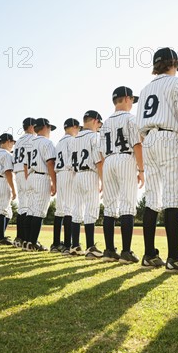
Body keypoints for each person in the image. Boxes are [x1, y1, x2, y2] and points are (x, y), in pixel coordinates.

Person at [136, 47, 178, 271]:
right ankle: (174, 257)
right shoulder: (177, 82)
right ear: (172, 64)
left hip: (148, 139)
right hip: (168, 136)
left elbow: (139, 126)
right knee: (172, 196)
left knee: (152, 197)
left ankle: (149, 254)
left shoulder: (144, 90)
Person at [100, 86, 144, 264]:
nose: (133, 103)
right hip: (125, 158)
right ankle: (126, 252)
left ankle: (109, 250)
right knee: (127, 205)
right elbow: (137, 145)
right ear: (126, 98)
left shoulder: (104, 124)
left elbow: (101, 151)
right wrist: (141, 170)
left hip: (108, 160)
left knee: (110, 207)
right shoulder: (131, 119)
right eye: (132, 99)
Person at [70, 110, 104, 259]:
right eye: (99, 124)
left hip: (76, 175)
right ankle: (91, 247)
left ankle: (75, 245)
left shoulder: (74, 138)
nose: (99, 127)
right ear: (95, 120)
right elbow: (99, 161)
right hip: (90, 174)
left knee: (76, 210)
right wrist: (103, 180)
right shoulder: (94, 136)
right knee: (91, 210)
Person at [23, 118, 57, 251]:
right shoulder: (47, 142)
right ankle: (33, 243)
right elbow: (50, 163)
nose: (50, 131)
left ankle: (27, 242)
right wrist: (54, 183)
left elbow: (25, 165)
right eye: (49, 128)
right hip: (42, 176)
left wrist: (28, 179)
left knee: (30, 211)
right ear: (45, 127)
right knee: (39, 212)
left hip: (31, 176)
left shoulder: (30, 143)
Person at [51, 118, 81, 253]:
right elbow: (75, 160)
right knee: (69, 209)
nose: (78, 130)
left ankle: (56, 243)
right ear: (73, 127)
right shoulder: (72, 140)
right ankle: (68, 245)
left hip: (59, 174)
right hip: (69, 172)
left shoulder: (59, 143)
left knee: (60, 209)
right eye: (78, 128)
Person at [12, 118, 36, 247]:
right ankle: (27, 238)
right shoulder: (32, 139)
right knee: (29, 206)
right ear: (31, 126)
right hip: (26, 172)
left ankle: (19, 237)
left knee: (22, 206)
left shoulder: (19, 141)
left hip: (18, 172)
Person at [0, 134, 17, 245]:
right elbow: (8, 172)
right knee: (2, 210)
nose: (13, 145)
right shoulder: (6, 154)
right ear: (7, 141)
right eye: (12, 142)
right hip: (2, 180)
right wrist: (13, 189)